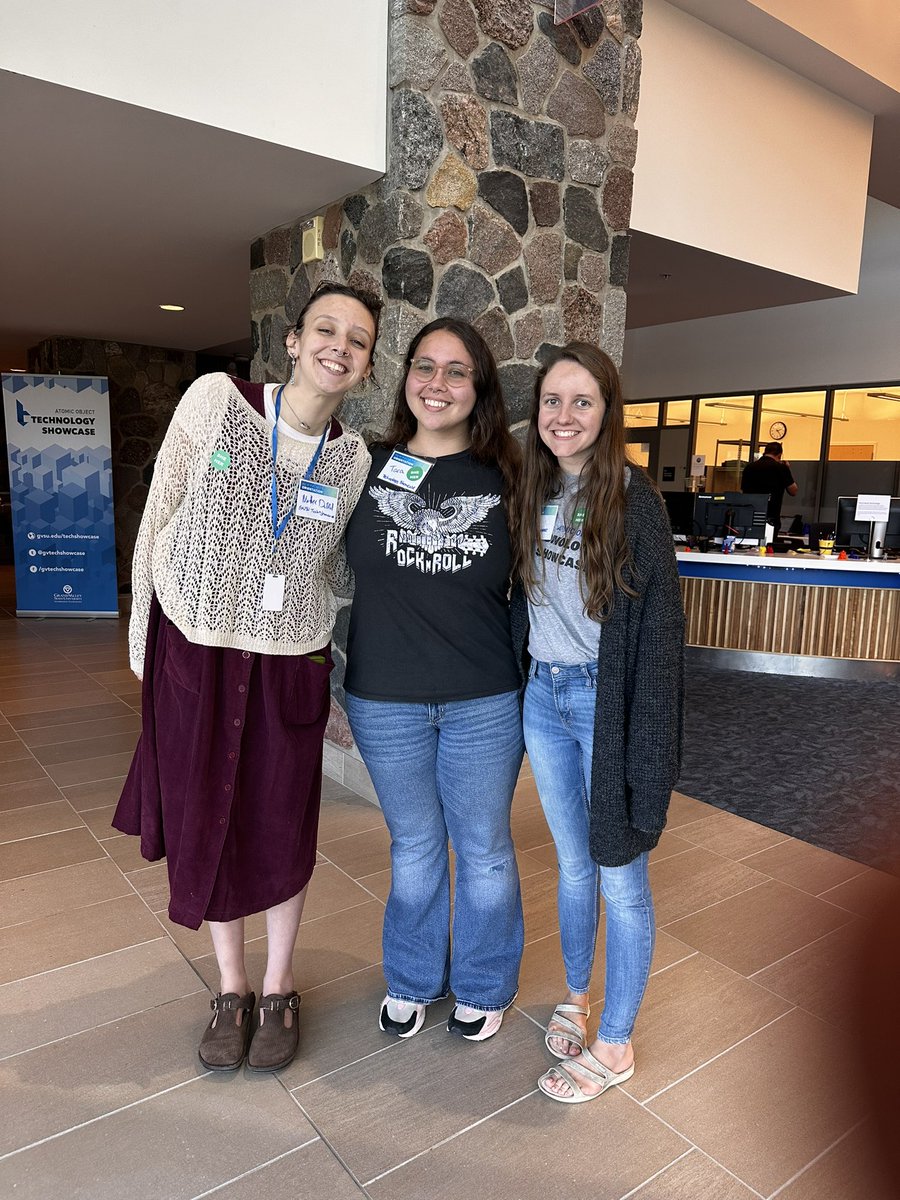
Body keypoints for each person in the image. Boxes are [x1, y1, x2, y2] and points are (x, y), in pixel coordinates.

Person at [113, 281, 381, 1073]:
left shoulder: (352, 458)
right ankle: (229, 989)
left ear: (365, 367)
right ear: (294, 341)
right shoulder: (216, 402)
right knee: (208, 818)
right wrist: (143, 653)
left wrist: (326, 630)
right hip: (192, 650)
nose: (340, 345)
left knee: (279, 823)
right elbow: (157, 516)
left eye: (358, 339)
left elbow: (334, 567)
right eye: (326, 329)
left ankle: (278, 986)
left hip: (286, 663)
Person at [511, 341, 684, 1103]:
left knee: (621, 873)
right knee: (573, 864)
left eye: (582, 401)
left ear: (608, 412)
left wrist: (647, 751)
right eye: (553, 401)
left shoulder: (634, 501)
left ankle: (614, 1043)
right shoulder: (532, 488)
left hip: (601, 704)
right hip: (541, 700)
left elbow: (659, 640)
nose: (565, 415)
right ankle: (577, 999)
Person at [343, 317, 525, 1042]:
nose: (438, 383)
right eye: (426, 366)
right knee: (415, 846)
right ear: (406, 377)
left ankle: (485, 983)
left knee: (483, 847)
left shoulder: (508, 476)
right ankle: (414, 978)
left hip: (483, 698)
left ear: (477, 388)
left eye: (456, 371)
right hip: (384, 698)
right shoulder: (363, 467)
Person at [741, 441, 798, 533]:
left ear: (765, 452)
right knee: (768, 546)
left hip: (749, 515)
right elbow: (793, 491)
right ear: (779, 455)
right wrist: (787, 469)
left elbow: (743, 489)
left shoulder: (749, 467)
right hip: (770, 516)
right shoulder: (780, 468)